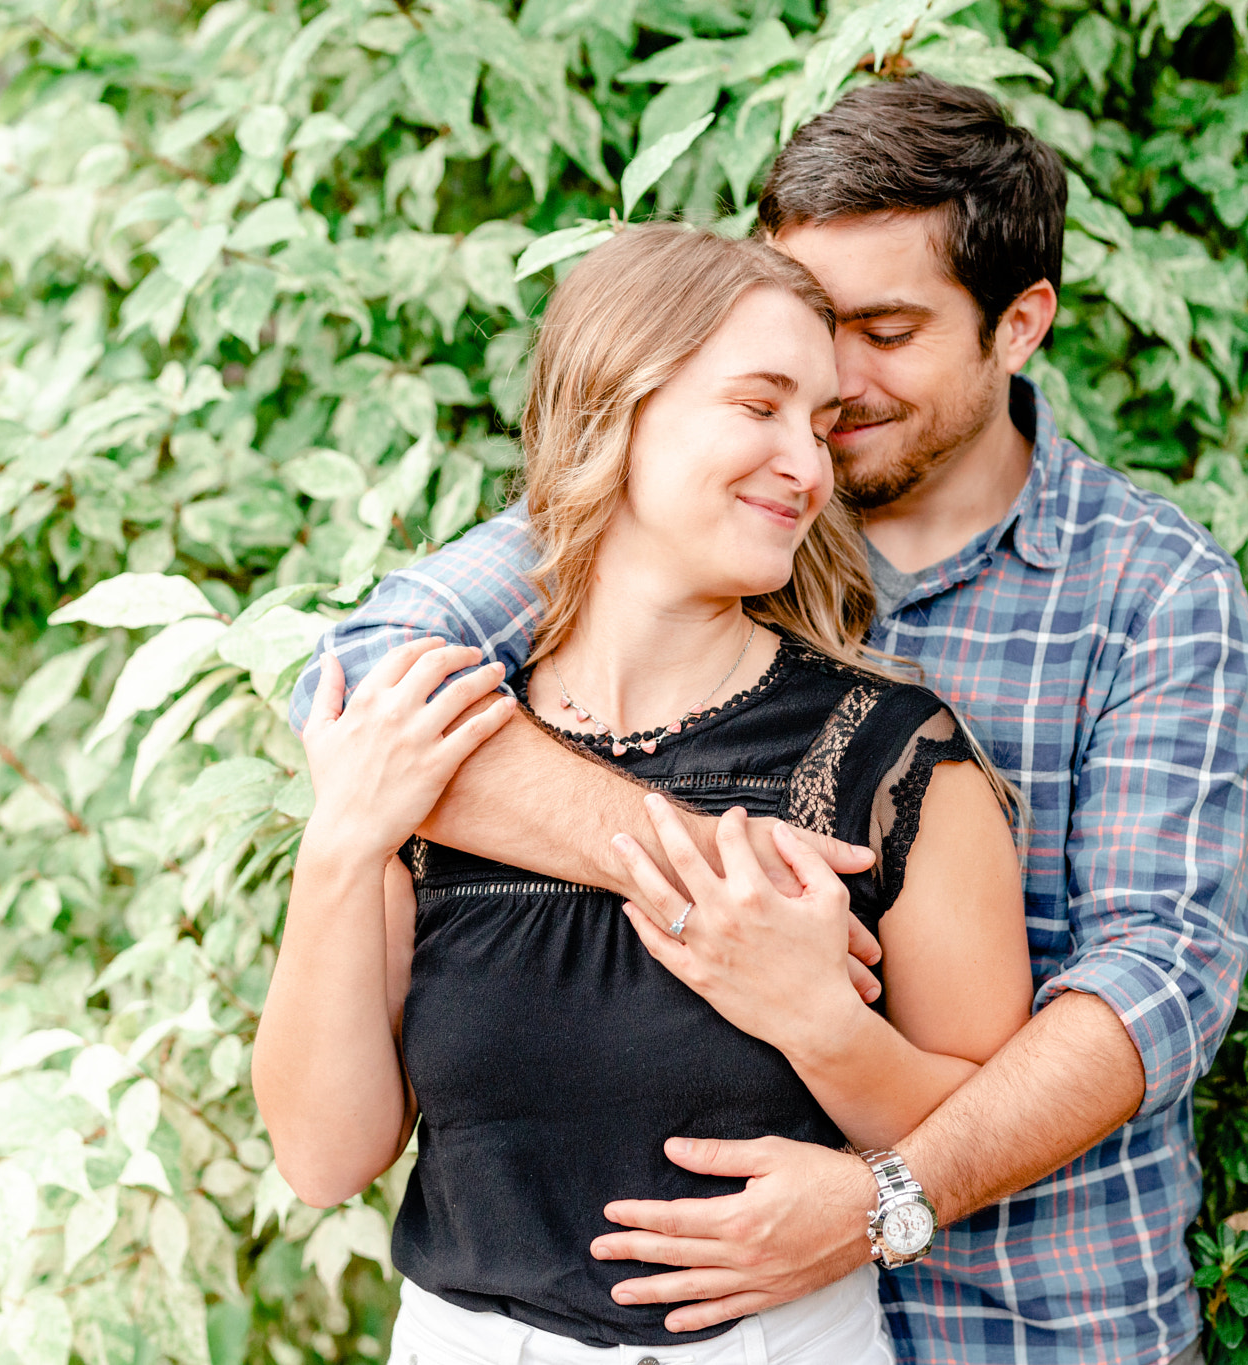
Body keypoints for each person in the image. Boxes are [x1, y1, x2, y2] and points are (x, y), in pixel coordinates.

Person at [287, 75, 1248, 1365]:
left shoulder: (1146, 589)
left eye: (886, 330)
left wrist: (880, 1198)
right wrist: (729, 871)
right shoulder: (665, 518)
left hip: (1027, 1318)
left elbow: (1159, 976)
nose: (834, 392)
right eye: (796, 343)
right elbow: (359, 686)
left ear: (1018, 324)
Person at [253, 225, 1033, 1365]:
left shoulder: (892, 758)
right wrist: (339, 850)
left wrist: (814, 1020)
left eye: (818, 427)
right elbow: (324, 1160)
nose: (808, 466)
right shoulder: (444, 751)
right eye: (758, 406)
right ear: (617, 403)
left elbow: (980, 1126)